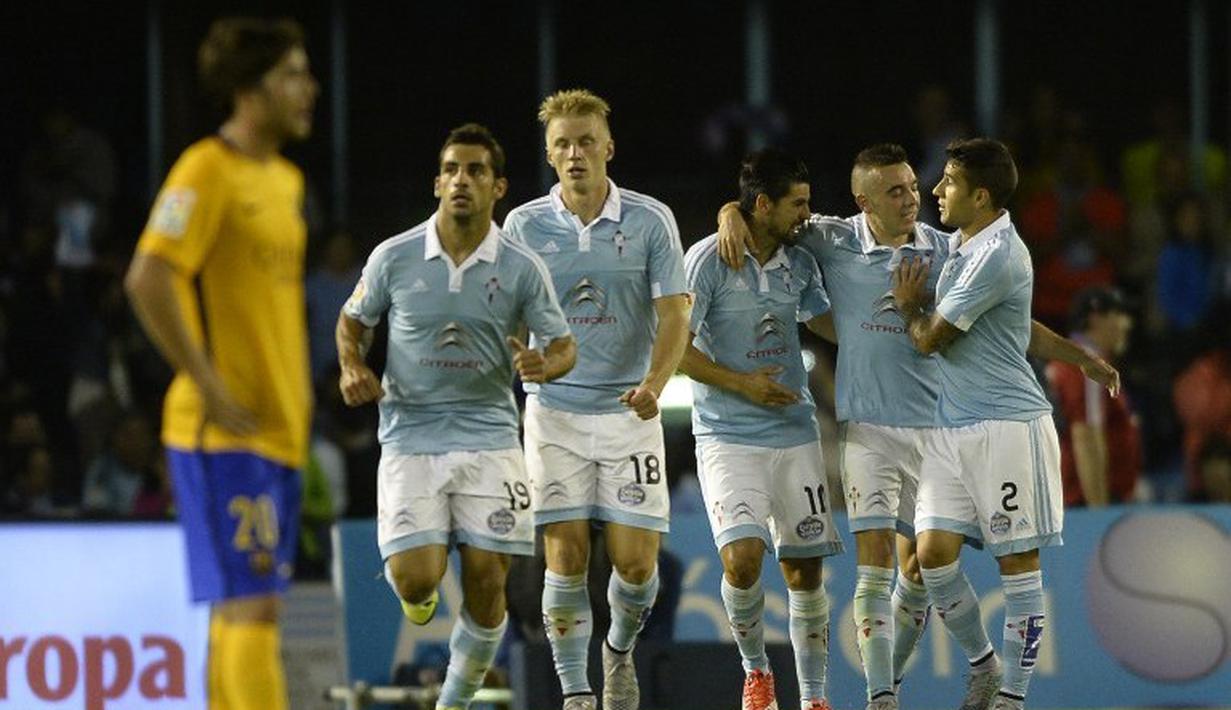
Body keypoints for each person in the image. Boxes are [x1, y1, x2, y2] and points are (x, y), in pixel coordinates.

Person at [716, 144, 1115, 710]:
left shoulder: (946, 248)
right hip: (867, 429)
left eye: (913, 186)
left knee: (921, 568)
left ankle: (967, 670)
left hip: (937, 427)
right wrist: (729, 212)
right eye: (896, 192)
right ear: (864, 202)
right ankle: (883, 697)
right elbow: (771, 218)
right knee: (876, 564)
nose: (913, 199)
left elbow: (1002, 316)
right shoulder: (832, 238)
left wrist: (1077, 356)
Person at [336, 123, 576, 710]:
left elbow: (564, 344)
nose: (461, 180)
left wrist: (547, 364)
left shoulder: (520, 266)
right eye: (451, 170)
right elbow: (352, 322)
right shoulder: (394, 257)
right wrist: (350, 365)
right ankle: (414, 593)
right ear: (437, 183)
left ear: (499, 188)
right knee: (417, 581)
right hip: (411, 438)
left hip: (490, 438)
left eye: (475, 171)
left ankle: (453, 702)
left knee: (489, 581)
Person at [124, 18, 317, 710]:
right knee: (252, 607)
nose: (309, 89)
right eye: (293, 74)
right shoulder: (205, 169)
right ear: (251, 88)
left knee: (242, 609)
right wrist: (205, 381)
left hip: (279, 427)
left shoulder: (287, 181)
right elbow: (149, 276)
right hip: (225, 430)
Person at [891, 138, 1118, 710]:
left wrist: (908, 307)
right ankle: (985, 666)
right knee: (930, 556)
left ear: (981, 195)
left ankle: (1012, 699)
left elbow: (930, 339)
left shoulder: (999, 256)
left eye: (948, 182)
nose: (936, 190)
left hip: (1008, 428)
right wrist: (1081, 355)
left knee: (1016, 564)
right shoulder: (967, 244)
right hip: (950, 429)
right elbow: (1018, 325)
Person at [502, 89, 690, 710]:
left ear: (609, 146)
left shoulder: (650, 219)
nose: (575, 153)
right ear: (549, 153)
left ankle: (618, 654)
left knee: (636, 568)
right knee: (567, 553)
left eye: (586, 141)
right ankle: (577, 691)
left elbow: (673, 315)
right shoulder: (525, 225)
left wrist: (656, 386)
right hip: (553, 410)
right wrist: (517, 354)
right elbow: (506, 313)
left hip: (629, 410)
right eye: (563, 144)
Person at [683, 148, 843, 710]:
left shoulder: (800, 261)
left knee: (804, 571)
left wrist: (879, 331)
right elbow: (675, 349)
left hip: (794, 431)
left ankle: (816, 697)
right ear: (763, 204)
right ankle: (757, 673)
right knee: (743, 560)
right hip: (727, 434)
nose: (807, 212)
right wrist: (743, 384)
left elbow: (820, 318)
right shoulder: (706, 260)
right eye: (797, 203)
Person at [1045, 286, 1141, 507]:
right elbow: (1086, 437)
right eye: (1119, 315)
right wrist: (1098, 514)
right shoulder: (1087, 366)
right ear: (1096, 318)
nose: (1126, 324)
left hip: (1071, 496)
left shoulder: (1068, 361)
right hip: (1082, 499)